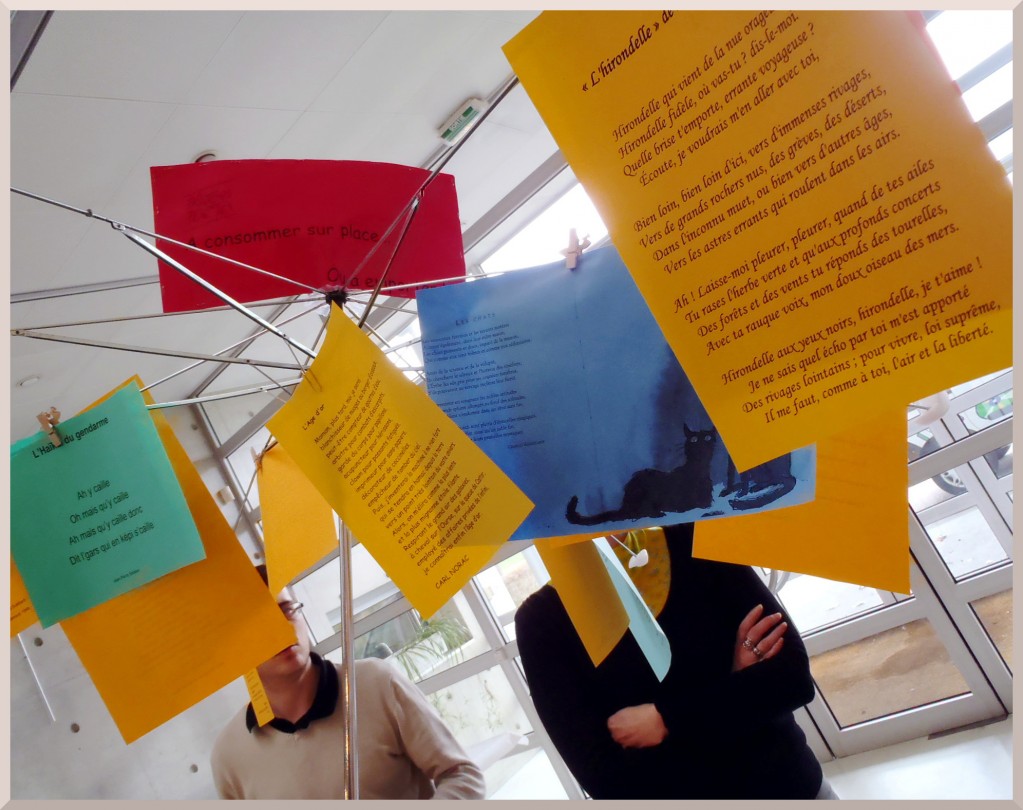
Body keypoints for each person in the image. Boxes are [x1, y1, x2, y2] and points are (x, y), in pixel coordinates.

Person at [515, 523, 837, 799]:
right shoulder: (541, 622)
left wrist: (665, 721)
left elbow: (791, 679)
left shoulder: (694, 536)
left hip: (793, 787)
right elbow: (608, 783)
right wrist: (735, 689)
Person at [210, 565, 485, 800]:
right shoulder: (228, 756)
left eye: (287, 610)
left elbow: (462, 775)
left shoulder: (376, 682)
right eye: (260, 621)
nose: (282, 628)